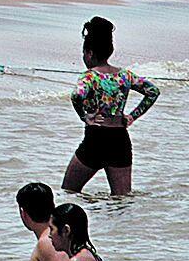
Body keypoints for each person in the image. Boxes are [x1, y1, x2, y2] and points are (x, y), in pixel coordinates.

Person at [63, 15, 156, 196]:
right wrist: (132, 116)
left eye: (84, 54)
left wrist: (85, 117)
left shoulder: (89, 76)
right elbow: (153, 92)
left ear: (89, 53)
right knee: (121, 201)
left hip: (95, 140)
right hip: (119, 141)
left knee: (69, 193)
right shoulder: (125, 76)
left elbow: (76, 95)